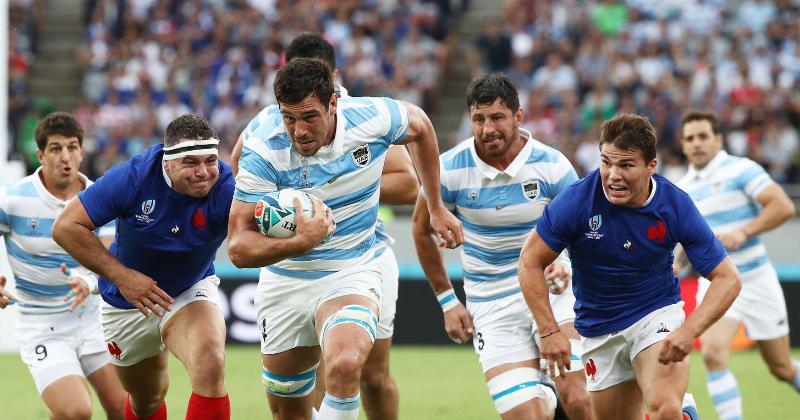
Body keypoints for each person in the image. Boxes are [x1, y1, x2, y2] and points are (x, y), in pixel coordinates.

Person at [228, 57, 462, 420]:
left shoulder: (371, 118)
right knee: (289, 409)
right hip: (285, 281)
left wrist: (435, 206)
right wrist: (300, 241)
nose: (298, 130)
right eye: (289, 118)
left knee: (346, 363)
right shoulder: (263, 147)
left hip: (351, 270)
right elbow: (239, 248)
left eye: (309, 117)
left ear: (333, 103)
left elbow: (421, 126)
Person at [517, 113, 741, 419]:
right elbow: (529, 261)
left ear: (651, 166)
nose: (612, 175)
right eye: (606, 162)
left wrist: (689, 331)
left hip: (655, 316)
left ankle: (678, 411)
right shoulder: (576, 201)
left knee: (665, 408)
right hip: (598, 329)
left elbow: (728, 279)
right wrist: (547, 331)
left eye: (626, 165)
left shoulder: (675, 206)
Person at [412, 74, 593, 420]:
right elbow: (421, 230)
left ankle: (558, 392)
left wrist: (565, 260)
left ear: (518, 117)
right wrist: (448, 301)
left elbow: (584, 230)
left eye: (497, 117)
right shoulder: (450, 169)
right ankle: (545, 395)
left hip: (554, 290)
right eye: (478, 119)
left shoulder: (552, 166)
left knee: (580, 398)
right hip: (491, 300)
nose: (487, 128)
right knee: (526, 416)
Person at [52, 114, 233, 420]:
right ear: (167, 163)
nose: (204, 172)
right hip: (126, 305)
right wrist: (123, 277)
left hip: (189, 290)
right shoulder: (132, 178)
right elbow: (66, 227)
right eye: (191, 162)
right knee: (146, 400)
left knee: (210, 360)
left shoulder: (225, 187)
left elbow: (249, 239)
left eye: (210, 161)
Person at [0, 112, 126, 420]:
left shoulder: (100, 199)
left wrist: (90, 282)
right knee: (77, 411)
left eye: (72, 147)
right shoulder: (15, 201)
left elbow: (112, 259)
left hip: (95, 320)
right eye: (56, 149)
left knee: (126, 410)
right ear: (40, 155)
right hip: (43, 326)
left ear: (82, 152)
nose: (65, 157)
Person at [676, 110, 800, 419]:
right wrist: (675, 262)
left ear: (718, 139)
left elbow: (783, 206)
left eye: (703, 136)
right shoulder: (683, 187)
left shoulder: (740, 169)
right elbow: (684, 237)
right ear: (683, 144)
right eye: (690, 138)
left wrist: (745, 230)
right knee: (714, 354)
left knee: (781, 367)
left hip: (756, 278)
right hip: (717, 281)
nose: (697, 143)